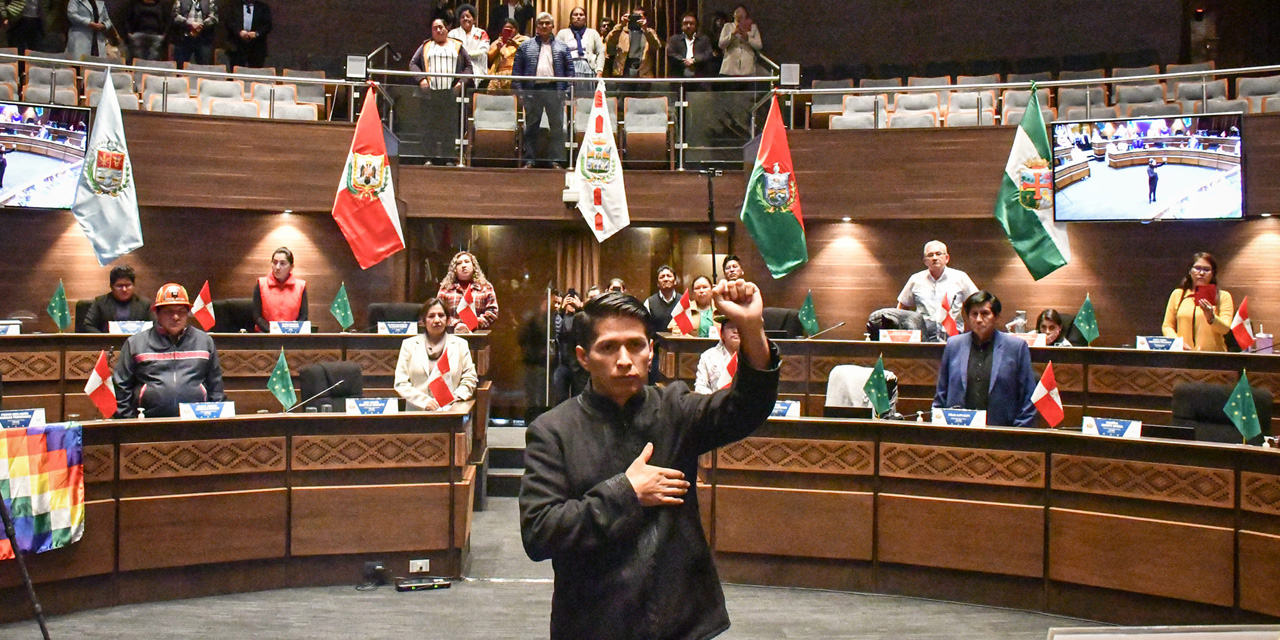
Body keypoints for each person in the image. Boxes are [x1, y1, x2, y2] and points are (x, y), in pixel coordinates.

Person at [519, 281, 780, 640]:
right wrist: (627, 492)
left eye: (635, 346)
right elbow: (539, 533)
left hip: (679, 621)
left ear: (651, 352)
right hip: (592, 623)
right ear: (583, 357)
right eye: (608, 348)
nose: (624, 360)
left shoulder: (675, 408)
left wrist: (751, 326)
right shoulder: (552, 430)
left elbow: (747, 406)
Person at [112, 283, 226, 418]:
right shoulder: (135, 343)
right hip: (148, 425)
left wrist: (215, 423)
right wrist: (130, 423)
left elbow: (216, 387)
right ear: (157, 313)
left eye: (181, 312)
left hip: (196, 423)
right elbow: (121, 389)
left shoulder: (205, 341)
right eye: (169, 311)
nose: (176, 317)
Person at [934, 291, 1037, 428]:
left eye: (985, 313)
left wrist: (1016, 435)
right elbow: (941, 393)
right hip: (958, 434)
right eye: (974, 314)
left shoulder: (1016, 348)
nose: (978, 319)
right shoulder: (954, 345)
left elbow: (1029, 397)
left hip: (1002, 435)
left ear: (996, 317)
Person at [394, 298, 478, 411]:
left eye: (441, 315)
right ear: (423, 321)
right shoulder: (409, 345)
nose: (437, 320)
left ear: (448, 320)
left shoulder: (460, 345)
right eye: (431, 316)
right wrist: (425, 402)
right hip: (417, 412)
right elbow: (401, 383)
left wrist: (453, 397)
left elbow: (470, 379)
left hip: (451, 410)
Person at [511, 12, 572, 168]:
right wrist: (521, 92)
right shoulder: (525, 46)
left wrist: (566, 90)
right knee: (531, 127)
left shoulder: (562, 47)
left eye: (547, 23)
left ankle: (556, 160)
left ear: (553, 26)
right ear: (536, 26)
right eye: (541, 23)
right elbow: (516, 72)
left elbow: (570, 71)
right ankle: (529, 160)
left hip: (555, 90)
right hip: (532, 90)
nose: (544, 26)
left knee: (557, 127)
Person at [897, 240, 978, 333]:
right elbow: (902, 307)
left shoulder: (960, 278)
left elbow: (976, 304)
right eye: (930, 255)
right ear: (925, 261)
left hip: (953, 336)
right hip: (923, 336)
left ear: (947, 258)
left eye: (939, 254)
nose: (935, 258)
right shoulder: (915, 279)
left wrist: (968, 333)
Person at [1161, 252, 1234, 352]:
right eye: (1197, 268)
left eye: (1206, 270)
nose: (1201, 273)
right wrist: (1177, 341)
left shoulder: (1223, 296)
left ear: (1213, 273)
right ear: (1190, 271)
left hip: (1215, 357)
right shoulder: (1178, 294)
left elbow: (1225, 329)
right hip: (1183, 355)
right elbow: (1167, 326)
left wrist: (1211, 318)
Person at [436, 250, 499, 332]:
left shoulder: (486, 287)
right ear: (454, 269)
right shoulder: (445, 288)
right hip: (452, 336)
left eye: (467, 262)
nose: (463, 265)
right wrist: (456, 324)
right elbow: (438, 312)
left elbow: (492, 312)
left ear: (473, 266)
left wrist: (473, 324)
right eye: (459, 263)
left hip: (478, 337)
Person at [252, 246, 308, 332]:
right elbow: (257, 316)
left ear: (291, 267)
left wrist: (289, 332)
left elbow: (303, 317)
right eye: (274, 262)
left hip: (291, 338)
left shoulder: (300, 286)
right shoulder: (261, 284)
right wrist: (273, 332)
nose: (277, 267)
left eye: (282, 263)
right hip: (265, 337)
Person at [82, 265, 152, 332]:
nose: (124, 289)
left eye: (128, 285)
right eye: (119, 286)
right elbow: (88, 325)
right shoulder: (100, 302)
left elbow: (154, 327)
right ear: (111, 286)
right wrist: (104, 339)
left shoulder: (144, 304)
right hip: (108, 343)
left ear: (133, 285)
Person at [411, 17, 474, 91]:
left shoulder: (457, 45)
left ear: (446, 29)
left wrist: (461, 82)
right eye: (435, 28)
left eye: (440, 27)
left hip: (452, 92)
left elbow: (469, 67)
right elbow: (413, 64)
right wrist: (421, 79)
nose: (438, 30)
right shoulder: (426, 46)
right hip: (429, 93)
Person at [550, 288, 586, 406]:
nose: (570, 304)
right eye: (568, 301)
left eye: (573, 301)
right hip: (562, 364)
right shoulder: (561, 317)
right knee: (560, 398)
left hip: (579, 366)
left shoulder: (581, 317)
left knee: (579, 399)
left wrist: (579, 308)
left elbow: (588, 328)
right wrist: (561, 309)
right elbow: (552, 329)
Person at [604, 7, 662, 80]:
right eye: (634, 16)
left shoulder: (649, 32)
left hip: (643, 72)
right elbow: (609, 41)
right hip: (623, 71)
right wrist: (621, 24)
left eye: (639, 17)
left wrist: (645, 29)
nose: (636, 19)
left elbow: (656, 46)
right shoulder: (622, 31)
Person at [556, 6, 605, 85]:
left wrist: (599, 71)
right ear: (570, 18)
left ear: (585, 18)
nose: (578, 17)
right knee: (569, 95)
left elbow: (601, 52)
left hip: (588, 68)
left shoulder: (593, 33)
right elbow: (556, 53)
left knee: (586, 96)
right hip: (568, 68)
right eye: (575, 15)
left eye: (581, 15)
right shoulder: (562, 33)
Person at [694, 315, 740, 393]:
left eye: (739, 327)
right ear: (722, 333)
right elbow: (700, 387)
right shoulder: (708, 356)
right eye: (731, 327)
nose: (735, 331)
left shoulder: (752, 357)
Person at [448, 4, 489, 86]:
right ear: (459, 20)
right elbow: (450, 51)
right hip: (457, 69)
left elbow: (484, 50)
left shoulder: (481, 33)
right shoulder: (452, 34)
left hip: (477, 69)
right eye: (462, 17)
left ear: (474, 19)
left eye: (468, 16)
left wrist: (467, 55)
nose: (465, 19)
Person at [718, 4, 762, 79]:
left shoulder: (753, 27)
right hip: (730, 68)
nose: (739, 15)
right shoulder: (727, 26)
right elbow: (721, 44)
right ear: (733, 15)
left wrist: (747, 38)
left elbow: (759, 46)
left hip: (747, 69)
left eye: (742, 14)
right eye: (737, 13)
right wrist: (732, 34)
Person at [668, 275, 719, 339]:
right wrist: (690, 338)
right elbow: (674, 329)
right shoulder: (687, 308)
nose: (701, 291)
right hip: (692, 346)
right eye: (697, 288)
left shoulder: (720, 307)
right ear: (692, 293)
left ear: (712, 290)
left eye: (705, 287)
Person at [665, 12, 713, 79]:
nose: (688, 26)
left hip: (700, 76)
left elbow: (708, 53)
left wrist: (694, 60)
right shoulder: (674, 39)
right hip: (679, 75)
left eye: (691, 24)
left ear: (696, 26)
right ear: (681, 25)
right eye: (685, 23)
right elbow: (670, 53)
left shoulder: (704, 40)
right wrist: (684, 61)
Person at [225, 0, 271, 68]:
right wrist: (239, 32)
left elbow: (267, 25)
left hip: (256, 47)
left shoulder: (263, 7)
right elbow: (229, 22)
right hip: (237, 47)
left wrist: (256, 34)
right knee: (236, 72)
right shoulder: (234, 6)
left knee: (255, 73)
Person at [171, 0, 218, 66]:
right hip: (183, 39)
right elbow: (175, 16)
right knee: (180, 67)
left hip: (204, 40)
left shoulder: (210, 1)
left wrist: (201, 25)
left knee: (204, 68)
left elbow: (214, 18)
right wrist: (188, 24)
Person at [486, 18, 527, 92]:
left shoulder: (524, 40)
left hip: (516, 75)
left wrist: (515, 44)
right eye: (506, 29)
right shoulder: (498, 42)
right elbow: (489, 59)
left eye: (511, 29)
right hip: (499, 75)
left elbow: (528, 53)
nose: (509, 31)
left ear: (516, 30)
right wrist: (497, 49)